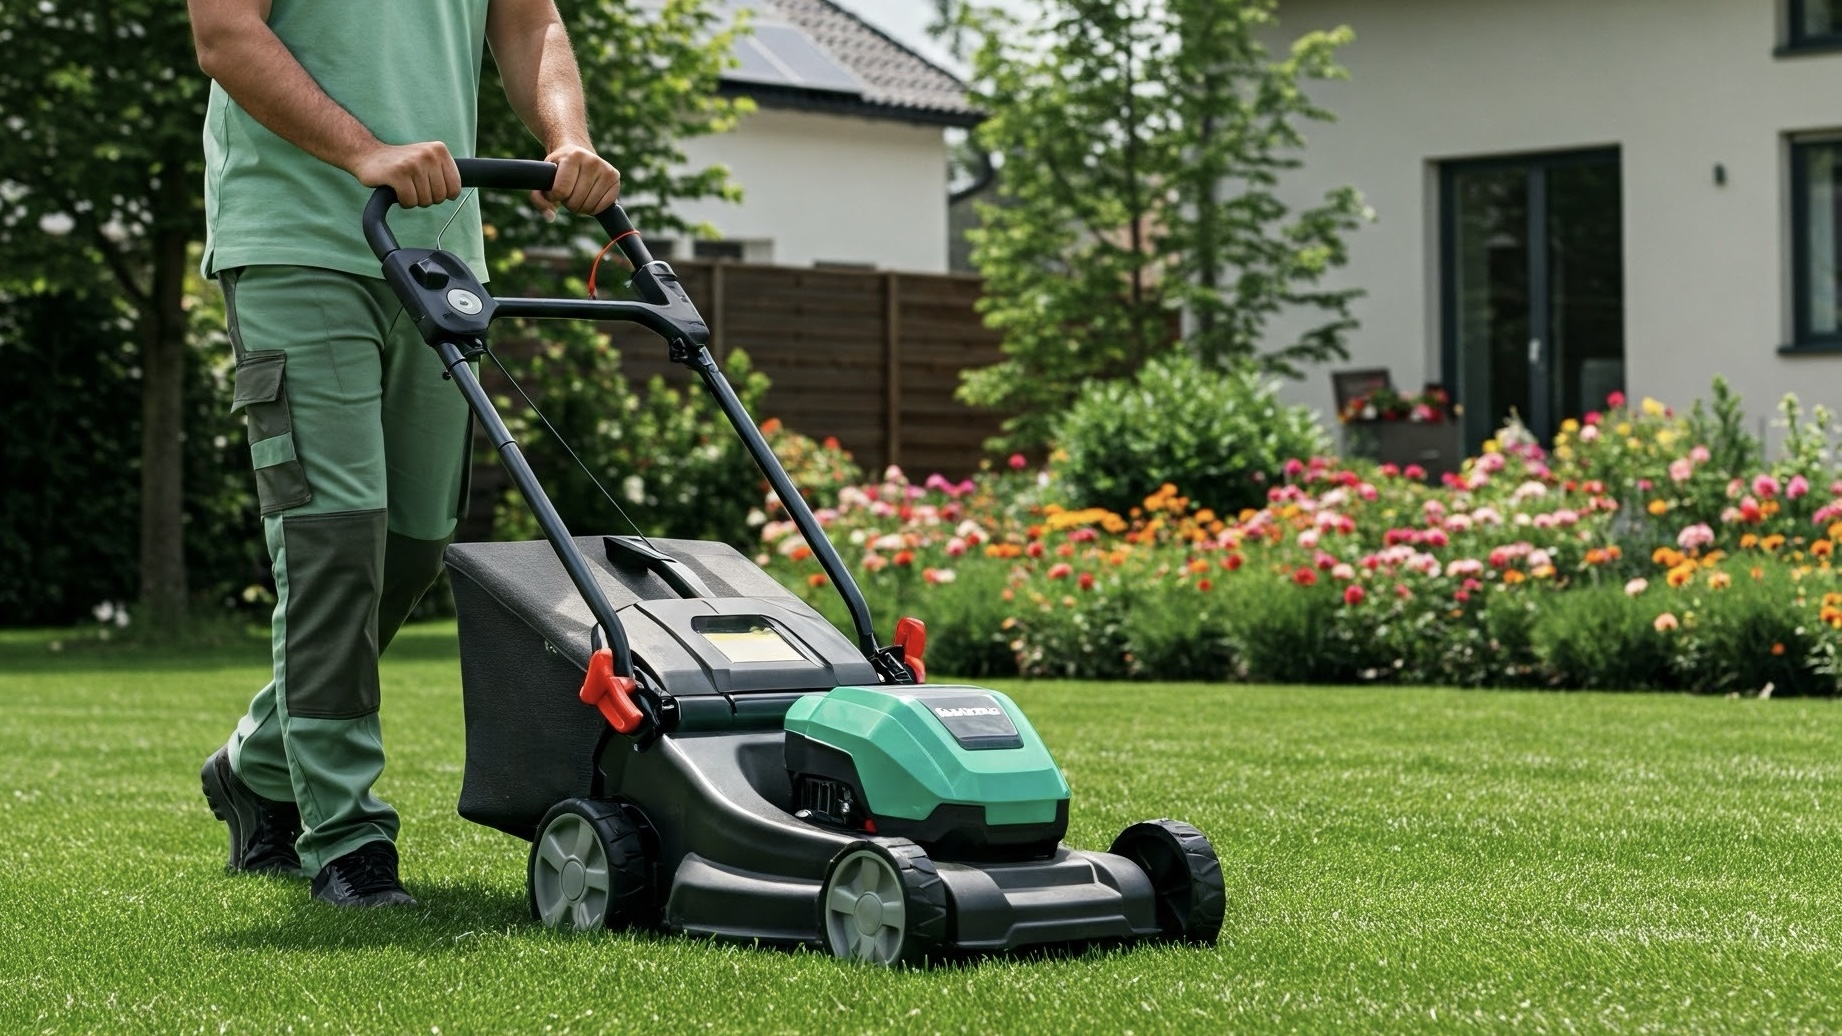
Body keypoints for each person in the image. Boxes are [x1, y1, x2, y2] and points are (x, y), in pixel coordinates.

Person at [187, 0, 621, 908]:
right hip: (296, 239)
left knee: (414, 546)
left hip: (435, 253)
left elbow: (529, 22)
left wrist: (566, 136)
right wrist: (363, 152)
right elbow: (225, 34)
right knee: (332, 542)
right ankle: (345, 837)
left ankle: (258, 759)